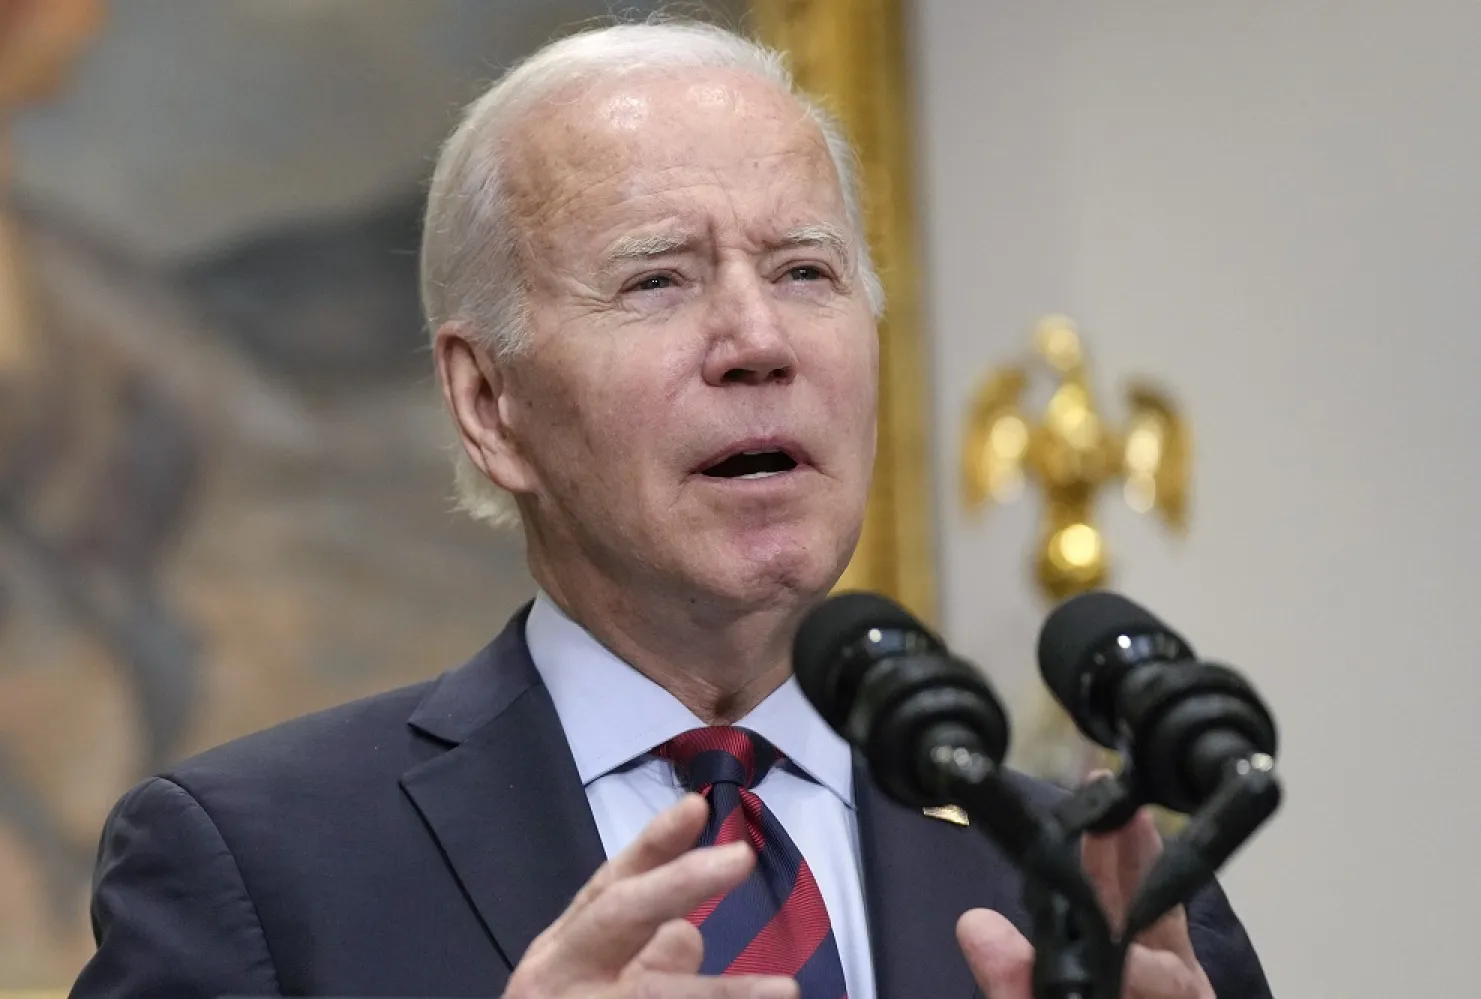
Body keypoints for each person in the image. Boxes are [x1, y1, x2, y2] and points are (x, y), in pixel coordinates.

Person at [71, 20, 1272, 999]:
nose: (758, 340)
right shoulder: (257, 869)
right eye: (658, 280)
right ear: (488, 402)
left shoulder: (1102, 893)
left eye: (805, 271)